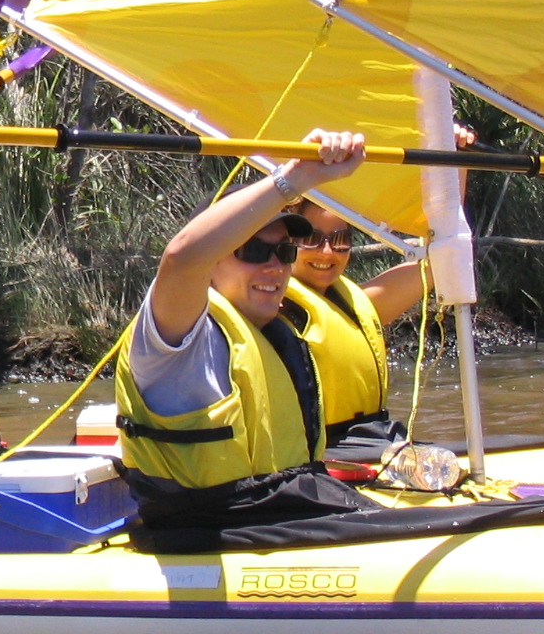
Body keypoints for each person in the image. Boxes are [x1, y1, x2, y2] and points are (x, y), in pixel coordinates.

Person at [113, 129, 386, 539]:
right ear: (213, 261)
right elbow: (182, 258)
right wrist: (294, 179)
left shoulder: (276, 336)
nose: (274, 267)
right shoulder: (176, 341)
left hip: (281, 513)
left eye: (284, 252)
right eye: (253, 251)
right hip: (214, 529)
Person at [281, 126, 476, 448]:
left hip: (372, 440)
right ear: (287, 239)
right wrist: (294, 174)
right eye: (311, 239)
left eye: (341, 240)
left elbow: (444, 256)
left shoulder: (362, 305)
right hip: (317, 450)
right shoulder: (264, 303)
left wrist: (452, 160)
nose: (327, 252)